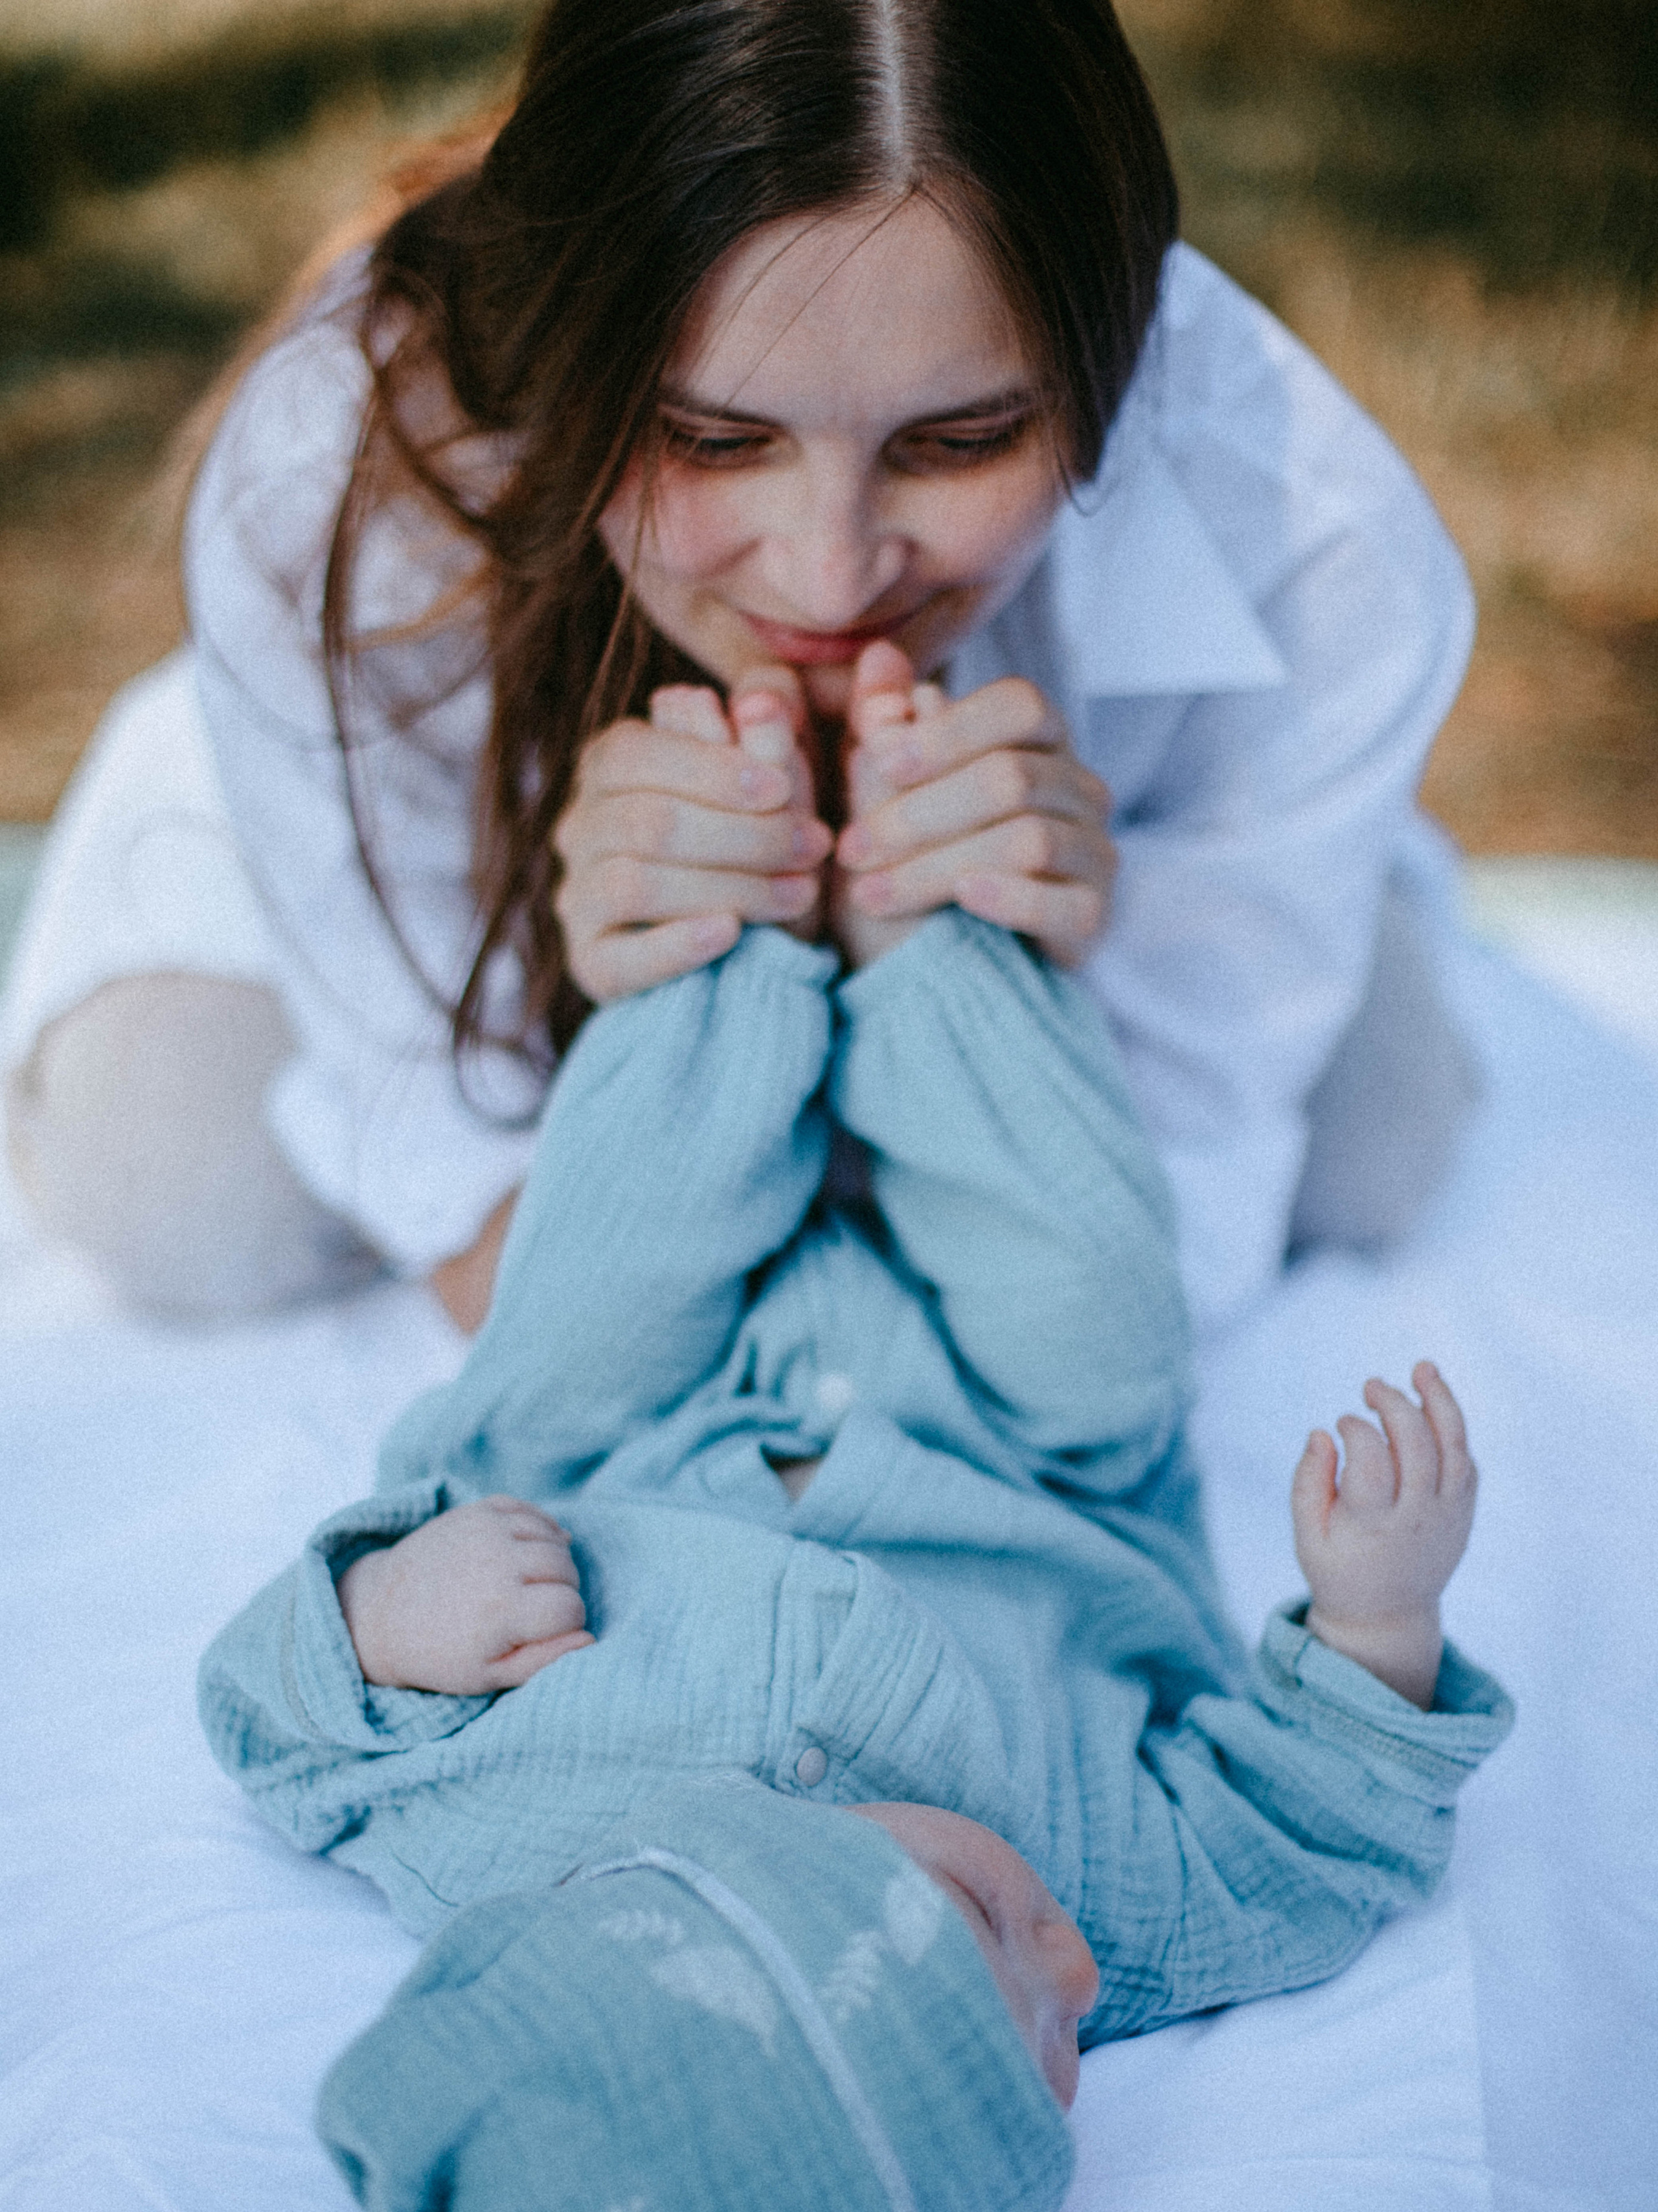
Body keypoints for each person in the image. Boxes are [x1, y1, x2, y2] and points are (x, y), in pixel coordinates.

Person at [166, 890, 1508, 2212]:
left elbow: (267, 1724)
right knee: (1092, 1313)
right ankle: (928, 934)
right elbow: (1312, 1841)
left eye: (983, 1936)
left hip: (643, 1417)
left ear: (733, 1892)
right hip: (1009, 1438)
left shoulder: (489, 1831)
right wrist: (1375, 1618)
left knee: (574, 1318)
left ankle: (722, 937)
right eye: (1055, 2068)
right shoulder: (1111, 1902)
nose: (1068, 1979)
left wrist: (388, 1612)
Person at [2, 0, 1479, 1334]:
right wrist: (616, 1012)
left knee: (1373, 1138)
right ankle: (211, 750)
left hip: (1135, 893)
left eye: (961, 441)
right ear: (572, 356)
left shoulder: (1324, 554)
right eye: (712, 440)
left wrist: (1030, 981)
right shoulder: (333, 483)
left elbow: (1143, 1274)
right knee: (176, 1172)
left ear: (1117, 354)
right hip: (421, 770)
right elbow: (489, 1239)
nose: (830, 582)